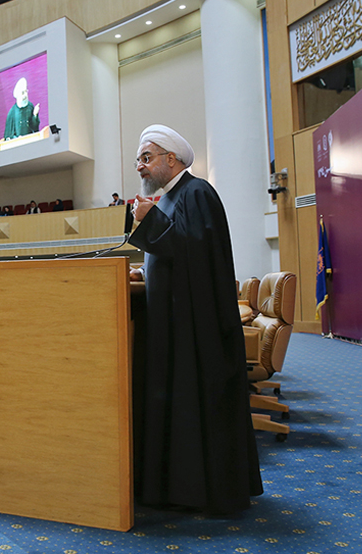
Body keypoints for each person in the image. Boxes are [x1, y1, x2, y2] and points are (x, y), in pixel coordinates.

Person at [127, 124, 261, 515]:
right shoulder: (169, 198)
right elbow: (172, 254)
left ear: (173, 159)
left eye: (147, 158)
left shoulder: (197, 192)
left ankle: (204, 494)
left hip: (196, 333)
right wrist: (145, 272)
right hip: (174, 328)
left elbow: (195, 255)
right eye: (138, 160)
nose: (140, 167)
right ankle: (175, 489)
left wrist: (148, 223)